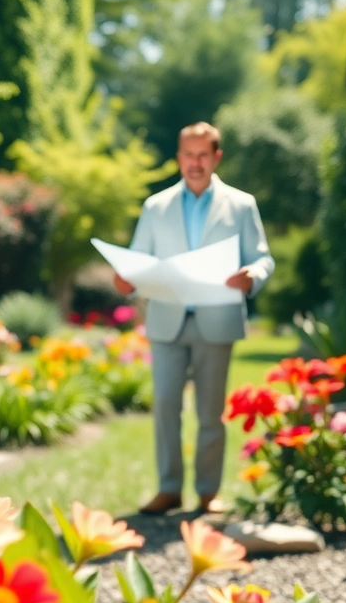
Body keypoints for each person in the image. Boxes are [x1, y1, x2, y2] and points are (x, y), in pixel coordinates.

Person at [115, 121, 274, 515]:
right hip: (167, 321)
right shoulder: (156, 206)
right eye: (188, 154)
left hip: (217, 321)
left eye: (203, 154)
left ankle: (208, 492)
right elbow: (138, 261)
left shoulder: (241, 204)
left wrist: (252, 276)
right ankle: (169, 489)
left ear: (216, 157)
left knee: (210, 412)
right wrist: (127, 281)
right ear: (178, 157)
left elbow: (262, 258)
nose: (195, 162)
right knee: (166, 406)